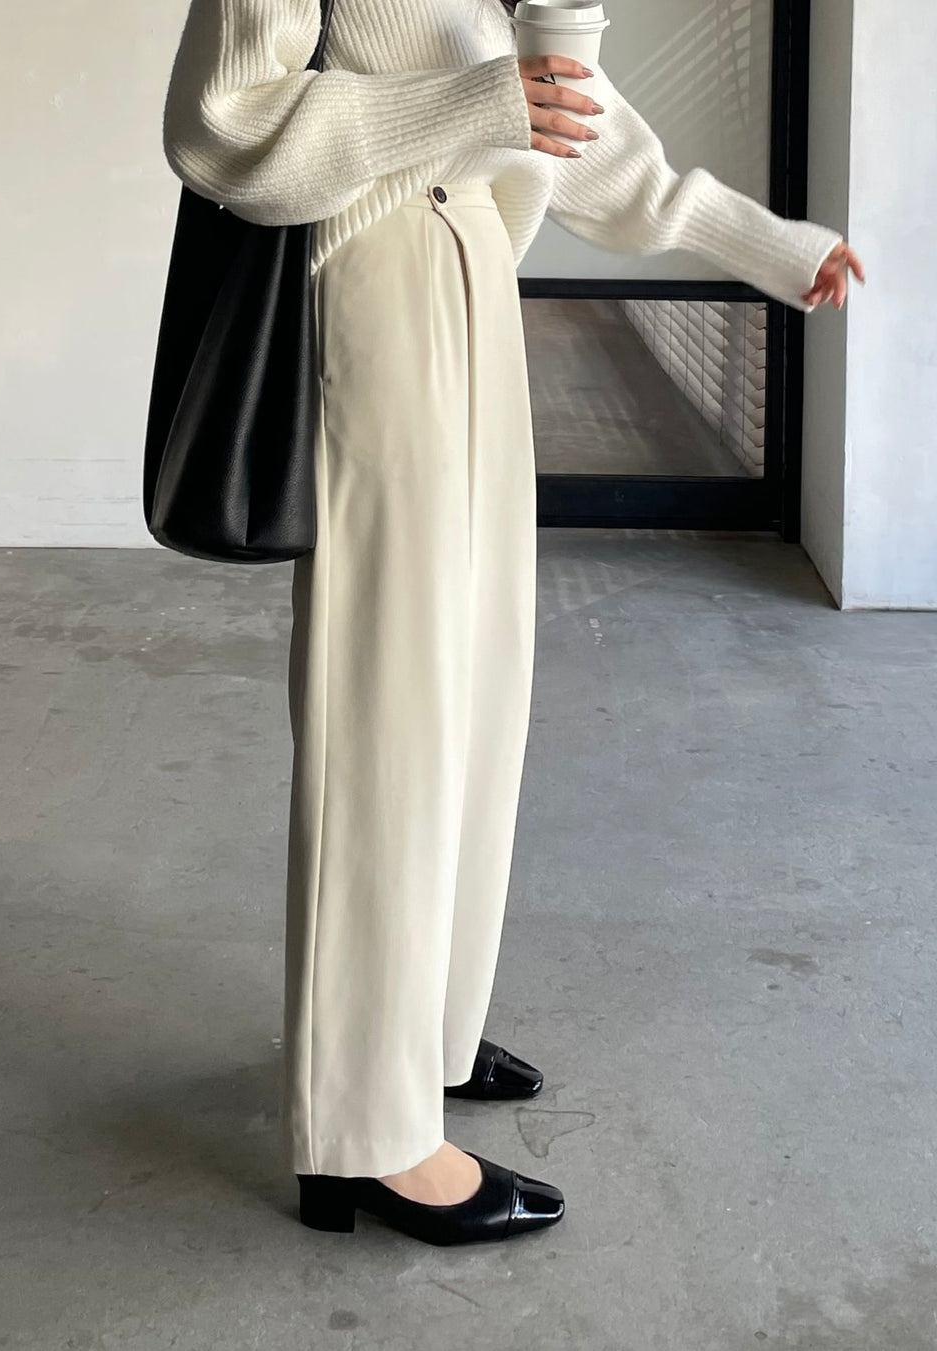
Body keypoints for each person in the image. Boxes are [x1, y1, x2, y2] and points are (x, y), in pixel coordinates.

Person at [161, 0, 865, 1247]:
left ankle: (422, 1035)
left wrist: (763, 246)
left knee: (482, 686)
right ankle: (366, 1133)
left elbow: (572, 126)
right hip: (370, 294)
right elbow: (222, 128)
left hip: (475, 279)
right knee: (387, 709)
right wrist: (469, 106)